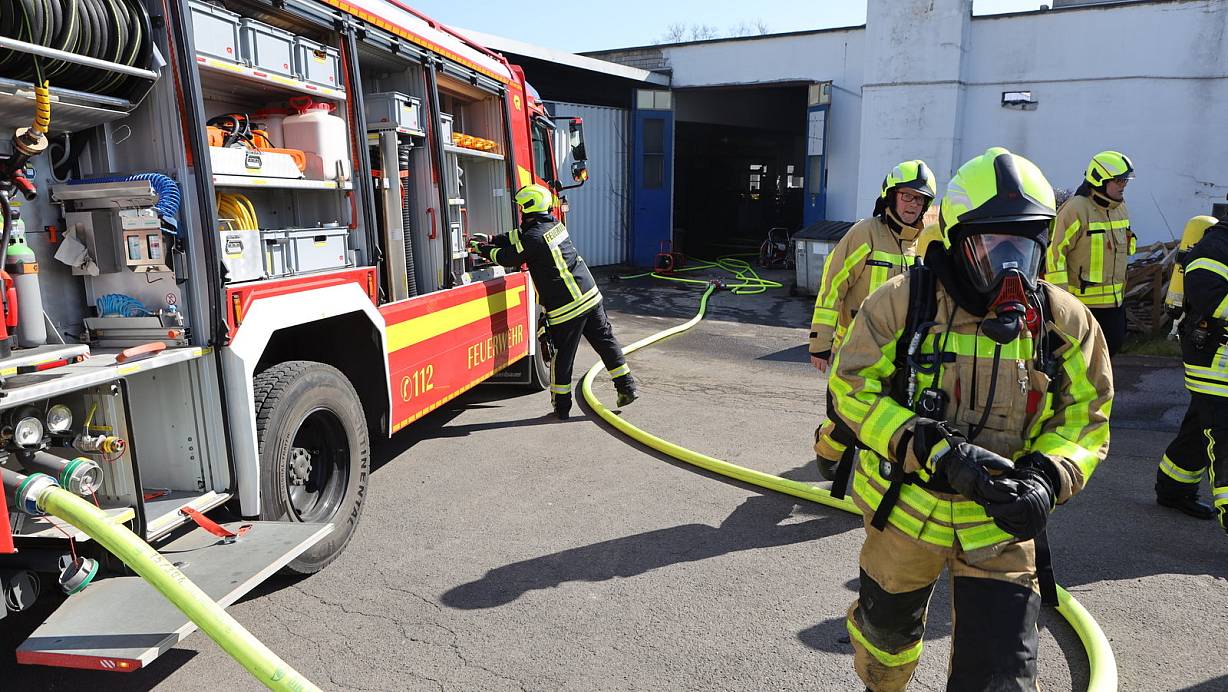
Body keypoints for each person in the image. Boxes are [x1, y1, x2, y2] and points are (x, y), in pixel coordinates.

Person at [830, 147, 1113, 691]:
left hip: (1000, 529)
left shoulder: (1062, 322)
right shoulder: (901, 304)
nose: (1010, 273)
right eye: (993, 249)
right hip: (905, 516)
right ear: (958, 244)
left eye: (1023, 251)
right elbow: (851, 386)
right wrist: (928, 446)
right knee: (884, 650)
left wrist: (1049, 476)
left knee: (999, 678)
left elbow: (1087, 414)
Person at [808, 161, 935, 481]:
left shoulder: (919, 244)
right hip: (854, 347)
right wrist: (820, 343)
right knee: (848, 416)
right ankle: (828, 446)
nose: (912, 205)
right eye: (907, 196)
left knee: (886, 416)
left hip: (898, 353)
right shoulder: (864, 233)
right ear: (890, 197)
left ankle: (875, 478)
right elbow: (832, 286)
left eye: (919, 199)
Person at [478, 184, 637, 419]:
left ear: (529, 208)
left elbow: (507, 257)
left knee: (562, 357)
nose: (520, 211)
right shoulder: (554, 225)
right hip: (590, 295)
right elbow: (519, 237)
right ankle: (627, 388)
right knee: (606, 342)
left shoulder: (533, 237)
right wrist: (493, 238)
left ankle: (561, 408)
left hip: (567, 307)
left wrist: (482, 249)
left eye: (522, 207)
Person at [1155, 216, 1228, 525]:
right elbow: (1206, 293)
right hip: (1214, 359)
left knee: (1202, 426)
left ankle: (1174, 487)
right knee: (1224, 435)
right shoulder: (1217, 246)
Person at [1045, 151, 1137, 354]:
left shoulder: (1121, 208)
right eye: (1119, 180)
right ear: (1100, 179)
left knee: (1107, 358)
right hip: (1082, 308)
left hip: (1115, 307)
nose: (1124, 185)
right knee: (1078, 363)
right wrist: (1061, 302)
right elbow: (1055, 254)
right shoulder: (1076, 209)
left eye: (1126, 180)